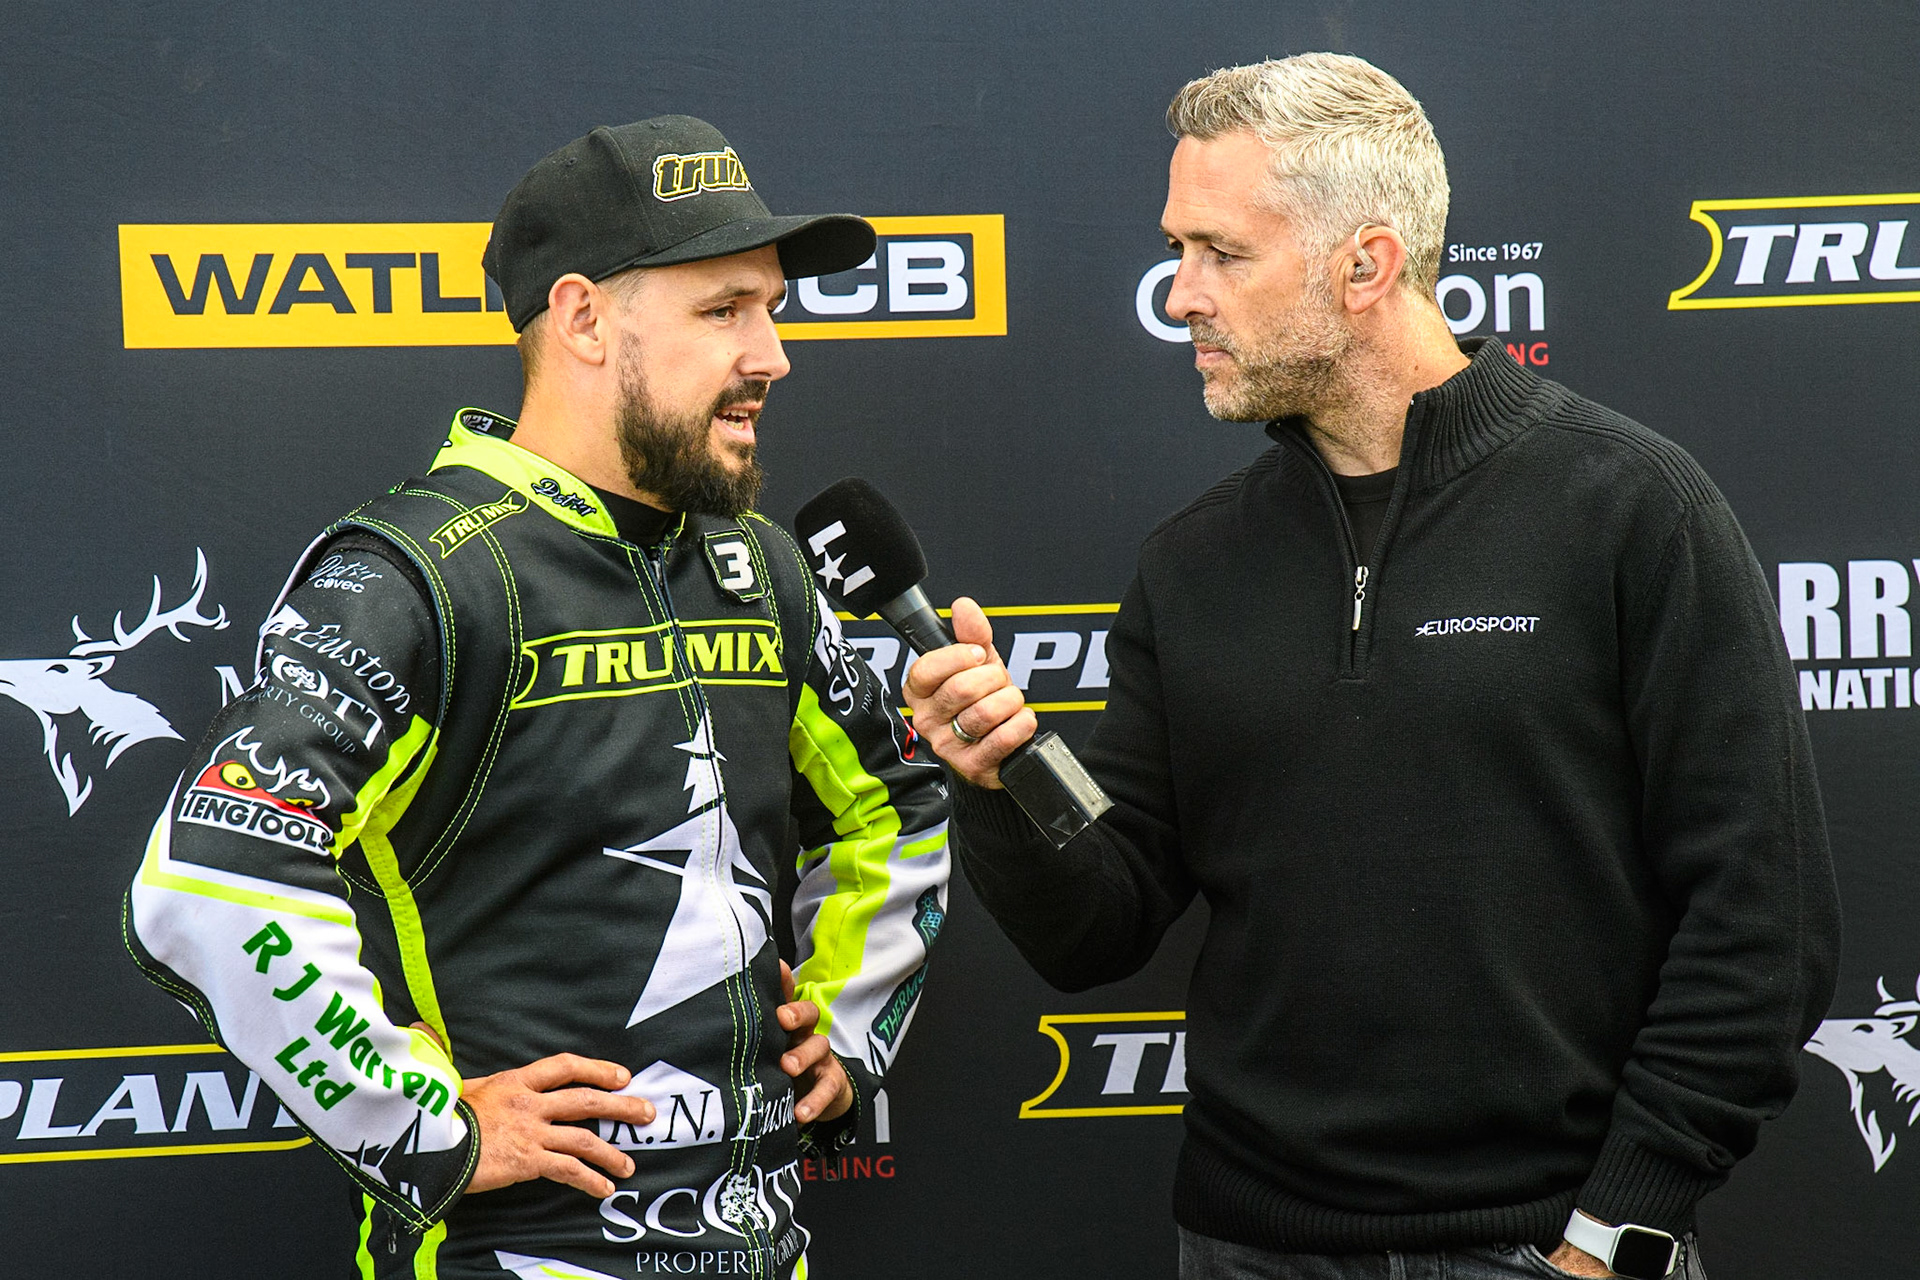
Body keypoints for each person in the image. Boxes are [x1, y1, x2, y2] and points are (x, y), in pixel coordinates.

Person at [905, 55, 1838, 1280]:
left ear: (1366, 263)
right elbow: (1100, 926)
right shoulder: (1193, 565)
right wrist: (1000, 780)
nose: (1177, 294)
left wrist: (1619, 1227)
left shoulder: (1630, 510)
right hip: (1245, 1244)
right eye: (1178, 249)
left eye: (1219, 253)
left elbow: (1762, 918)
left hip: (1548, 1247)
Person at [125, 116, 950, 1280]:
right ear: (581, 319)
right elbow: (212, 876)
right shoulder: (418, 572)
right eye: (725, 310)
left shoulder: (760, 567)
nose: (772, 354)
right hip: (519, 1254)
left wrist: (849, 1019)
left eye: (773, 308)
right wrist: (426, 1121)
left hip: (767, 1245)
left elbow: (897, 799)